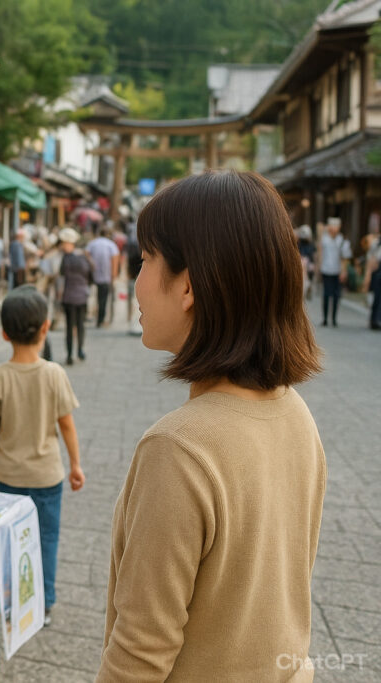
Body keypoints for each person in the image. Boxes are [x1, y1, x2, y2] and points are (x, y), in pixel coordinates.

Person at [97, 170, 324, 681]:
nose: (134, 281)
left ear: (189, 286)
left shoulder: (179, 448)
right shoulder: (293, 411)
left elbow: (138, 655)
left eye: (146, 260)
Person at [0, 285, 84, 626]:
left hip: (10, 474)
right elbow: (66, 425)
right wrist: (75, 466)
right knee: (47, 538)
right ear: (45, 328)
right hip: (47, 475)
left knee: (13, 538)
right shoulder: (54, 374)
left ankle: (12, 600)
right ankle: (45, 602)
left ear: (4, 332)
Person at [58, 227, 90, 365]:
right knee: (80, 325)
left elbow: (61, 274)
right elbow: (91, 273)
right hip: (82, 295)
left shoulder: (66, 258)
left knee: (70, 327)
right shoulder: (84, 256)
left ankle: (70, 354)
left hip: (69, 296)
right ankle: (80, 350)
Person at [318, 216, 352, 326]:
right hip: (326, 270)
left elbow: (345, 258)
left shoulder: (342, 240)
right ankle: (325, 319)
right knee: (326, 295)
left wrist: (344, 271)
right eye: (332, 226)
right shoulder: (324, 239)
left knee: (336, 296)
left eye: (336, 226)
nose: (333, 228)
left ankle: (334, 319)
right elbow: (320, 254)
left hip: (337, 271)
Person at [86, 226, 121, 327]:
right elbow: (115, 260)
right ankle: (100, 320)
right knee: (103, 299)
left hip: (93, 275)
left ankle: (91, 315)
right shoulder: (111, 245)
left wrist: (91, 264)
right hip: (106, 276)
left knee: (93, 296)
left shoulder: (93, 243)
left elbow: (86, 254)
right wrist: (114, 275)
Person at [364, 231, 381, 330]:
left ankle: (377, 319)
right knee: (377, 297)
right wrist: (368, 275)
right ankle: (374, 319)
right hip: (377, 272)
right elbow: (371, 259)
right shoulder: (377, 243)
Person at [296, 224, 316, 301]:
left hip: (308, 268)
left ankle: (308, 289)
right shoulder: (298, 244)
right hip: (301, 267)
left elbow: (313, 256)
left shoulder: (311, 245)